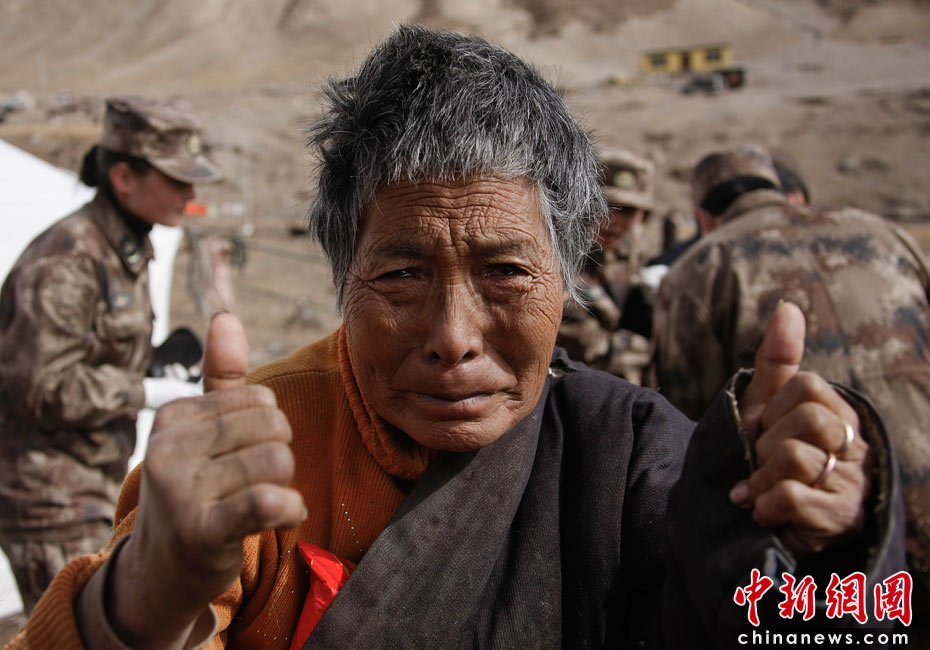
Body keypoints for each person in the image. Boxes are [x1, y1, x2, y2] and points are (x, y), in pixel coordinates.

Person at [8, 29, 904, 649]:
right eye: (401, 274)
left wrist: (831, 545)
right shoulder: (258, 453)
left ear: (568, 275)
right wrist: (143, 603)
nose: (452, 337)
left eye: (505, 272)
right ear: (342, 276)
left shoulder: (630, 453)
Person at [651, 144, 930, 638]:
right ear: (780, 189)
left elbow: (689, 430)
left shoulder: (700, 267)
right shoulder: (885, 234)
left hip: (832, 542)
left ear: (704, 216)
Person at [0, 97, 221, 614]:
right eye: (177, 180)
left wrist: (152, 364)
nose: (190, 194)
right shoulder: (68, 261)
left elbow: (92, 354)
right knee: (79, 635)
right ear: (123, 177)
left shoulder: (123, 246)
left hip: (88, 485)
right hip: (49, 499)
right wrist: (148, 390)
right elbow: (41, 387)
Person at [556, 148, 655, 382]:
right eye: (604, 205)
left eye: (628, 210)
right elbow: (576, 343)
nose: (614, 220)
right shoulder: (556, 255)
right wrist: (647, 345)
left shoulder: (637, 253)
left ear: (643, 215)